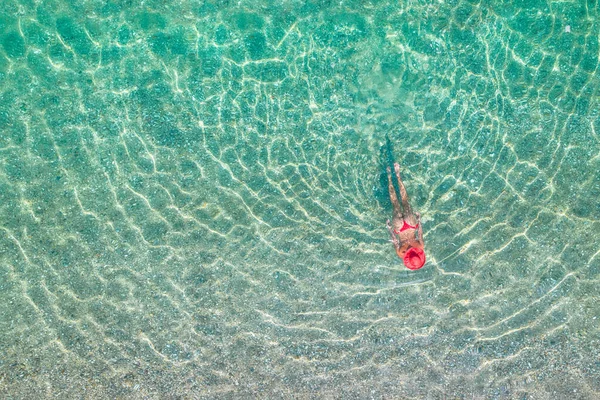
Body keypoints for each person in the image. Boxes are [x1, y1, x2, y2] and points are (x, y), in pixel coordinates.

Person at [386, 162, 426, 270]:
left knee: (404, 200)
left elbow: (420, 233)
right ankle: (389, 176)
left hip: (411, 224)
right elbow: (394, 240)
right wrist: (389, 228)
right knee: (394, 202)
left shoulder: (420, 247)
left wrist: (419, 220)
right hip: (399, 228)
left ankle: (397, 175)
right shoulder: (400, 253)